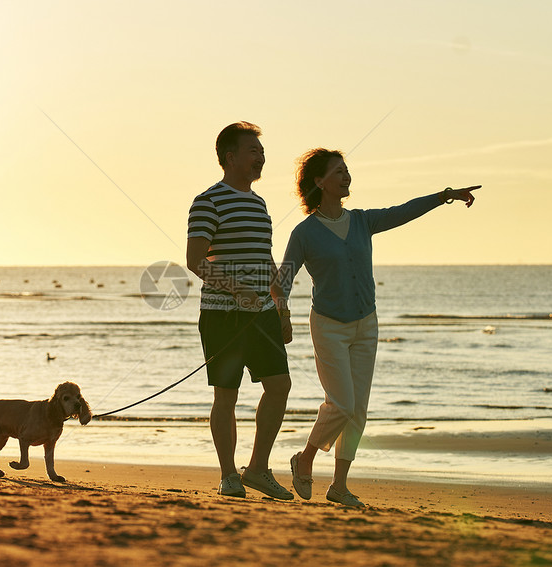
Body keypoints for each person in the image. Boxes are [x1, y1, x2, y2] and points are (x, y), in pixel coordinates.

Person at [278, 148, 479, 507]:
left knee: (358, 410)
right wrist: (282, 314)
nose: (346, 176)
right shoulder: (305, 233)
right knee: (340, 404)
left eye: (347, 170)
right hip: (328, 326)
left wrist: (443, 196)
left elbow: (403, 212)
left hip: (366, 324)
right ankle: (305, 458)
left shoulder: (362, 221)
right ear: (319, 182)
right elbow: (284, 280)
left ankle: (339, 485)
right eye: (338, 172)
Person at [186, 122, 294, 500]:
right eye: (253, 150)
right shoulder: (208, 201)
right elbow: (195, 260)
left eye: (262, 152)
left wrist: (282, 308)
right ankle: (229, 475)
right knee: (226, 395)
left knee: (279, 385)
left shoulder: (260, 203)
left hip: (262, 313)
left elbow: (266, 260)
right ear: (230, 157)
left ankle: (259, 468)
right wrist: (237, 290)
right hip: (222, 315)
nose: (260, 157)